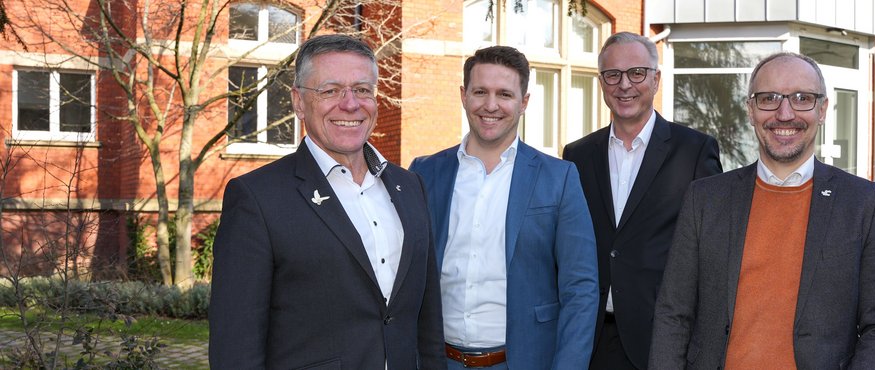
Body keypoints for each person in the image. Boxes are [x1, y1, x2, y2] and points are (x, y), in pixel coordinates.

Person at [648, 52, 875, 369]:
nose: (785, 114)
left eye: (802, 98)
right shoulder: (704, 199)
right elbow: (674, 314)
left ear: (822, 109)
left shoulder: (865, 203)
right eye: (768, 98)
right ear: (751, 110)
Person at [209, 34, 446, 369]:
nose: (350, 104)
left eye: (363, 89)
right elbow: (236, 346)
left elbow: (428, 321)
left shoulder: (410, 186)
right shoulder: (257, 199)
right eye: (330, 90)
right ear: (297, 101)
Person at [409, 45, 598, 369]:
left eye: (504, 94)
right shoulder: (423, 174)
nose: (490, 105)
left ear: (524, 102)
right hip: (439, 362)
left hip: (524, 362)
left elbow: (580, 289)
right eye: (480, 91)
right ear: (463, 95)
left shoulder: (559, 178)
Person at [562, 32, 722, 370]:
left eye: (637, 73)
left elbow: (711, 254)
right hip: (591, 342)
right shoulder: (576, 155)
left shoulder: (694, 151)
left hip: (661, 340)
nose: (625, 85)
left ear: (656, 79)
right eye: (613, 75)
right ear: (601, 82)